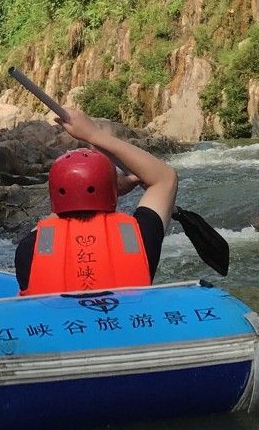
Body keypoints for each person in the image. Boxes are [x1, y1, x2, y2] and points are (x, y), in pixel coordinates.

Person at [15, 106, 179, 294]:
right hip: (125, 321)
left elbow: (50, 222)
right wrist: (93, 134)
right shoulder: (139, 236)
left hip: (66, 324)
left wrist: (107, 189)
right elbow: (165, 177)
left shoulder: (28, 250)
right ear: (112, 191)